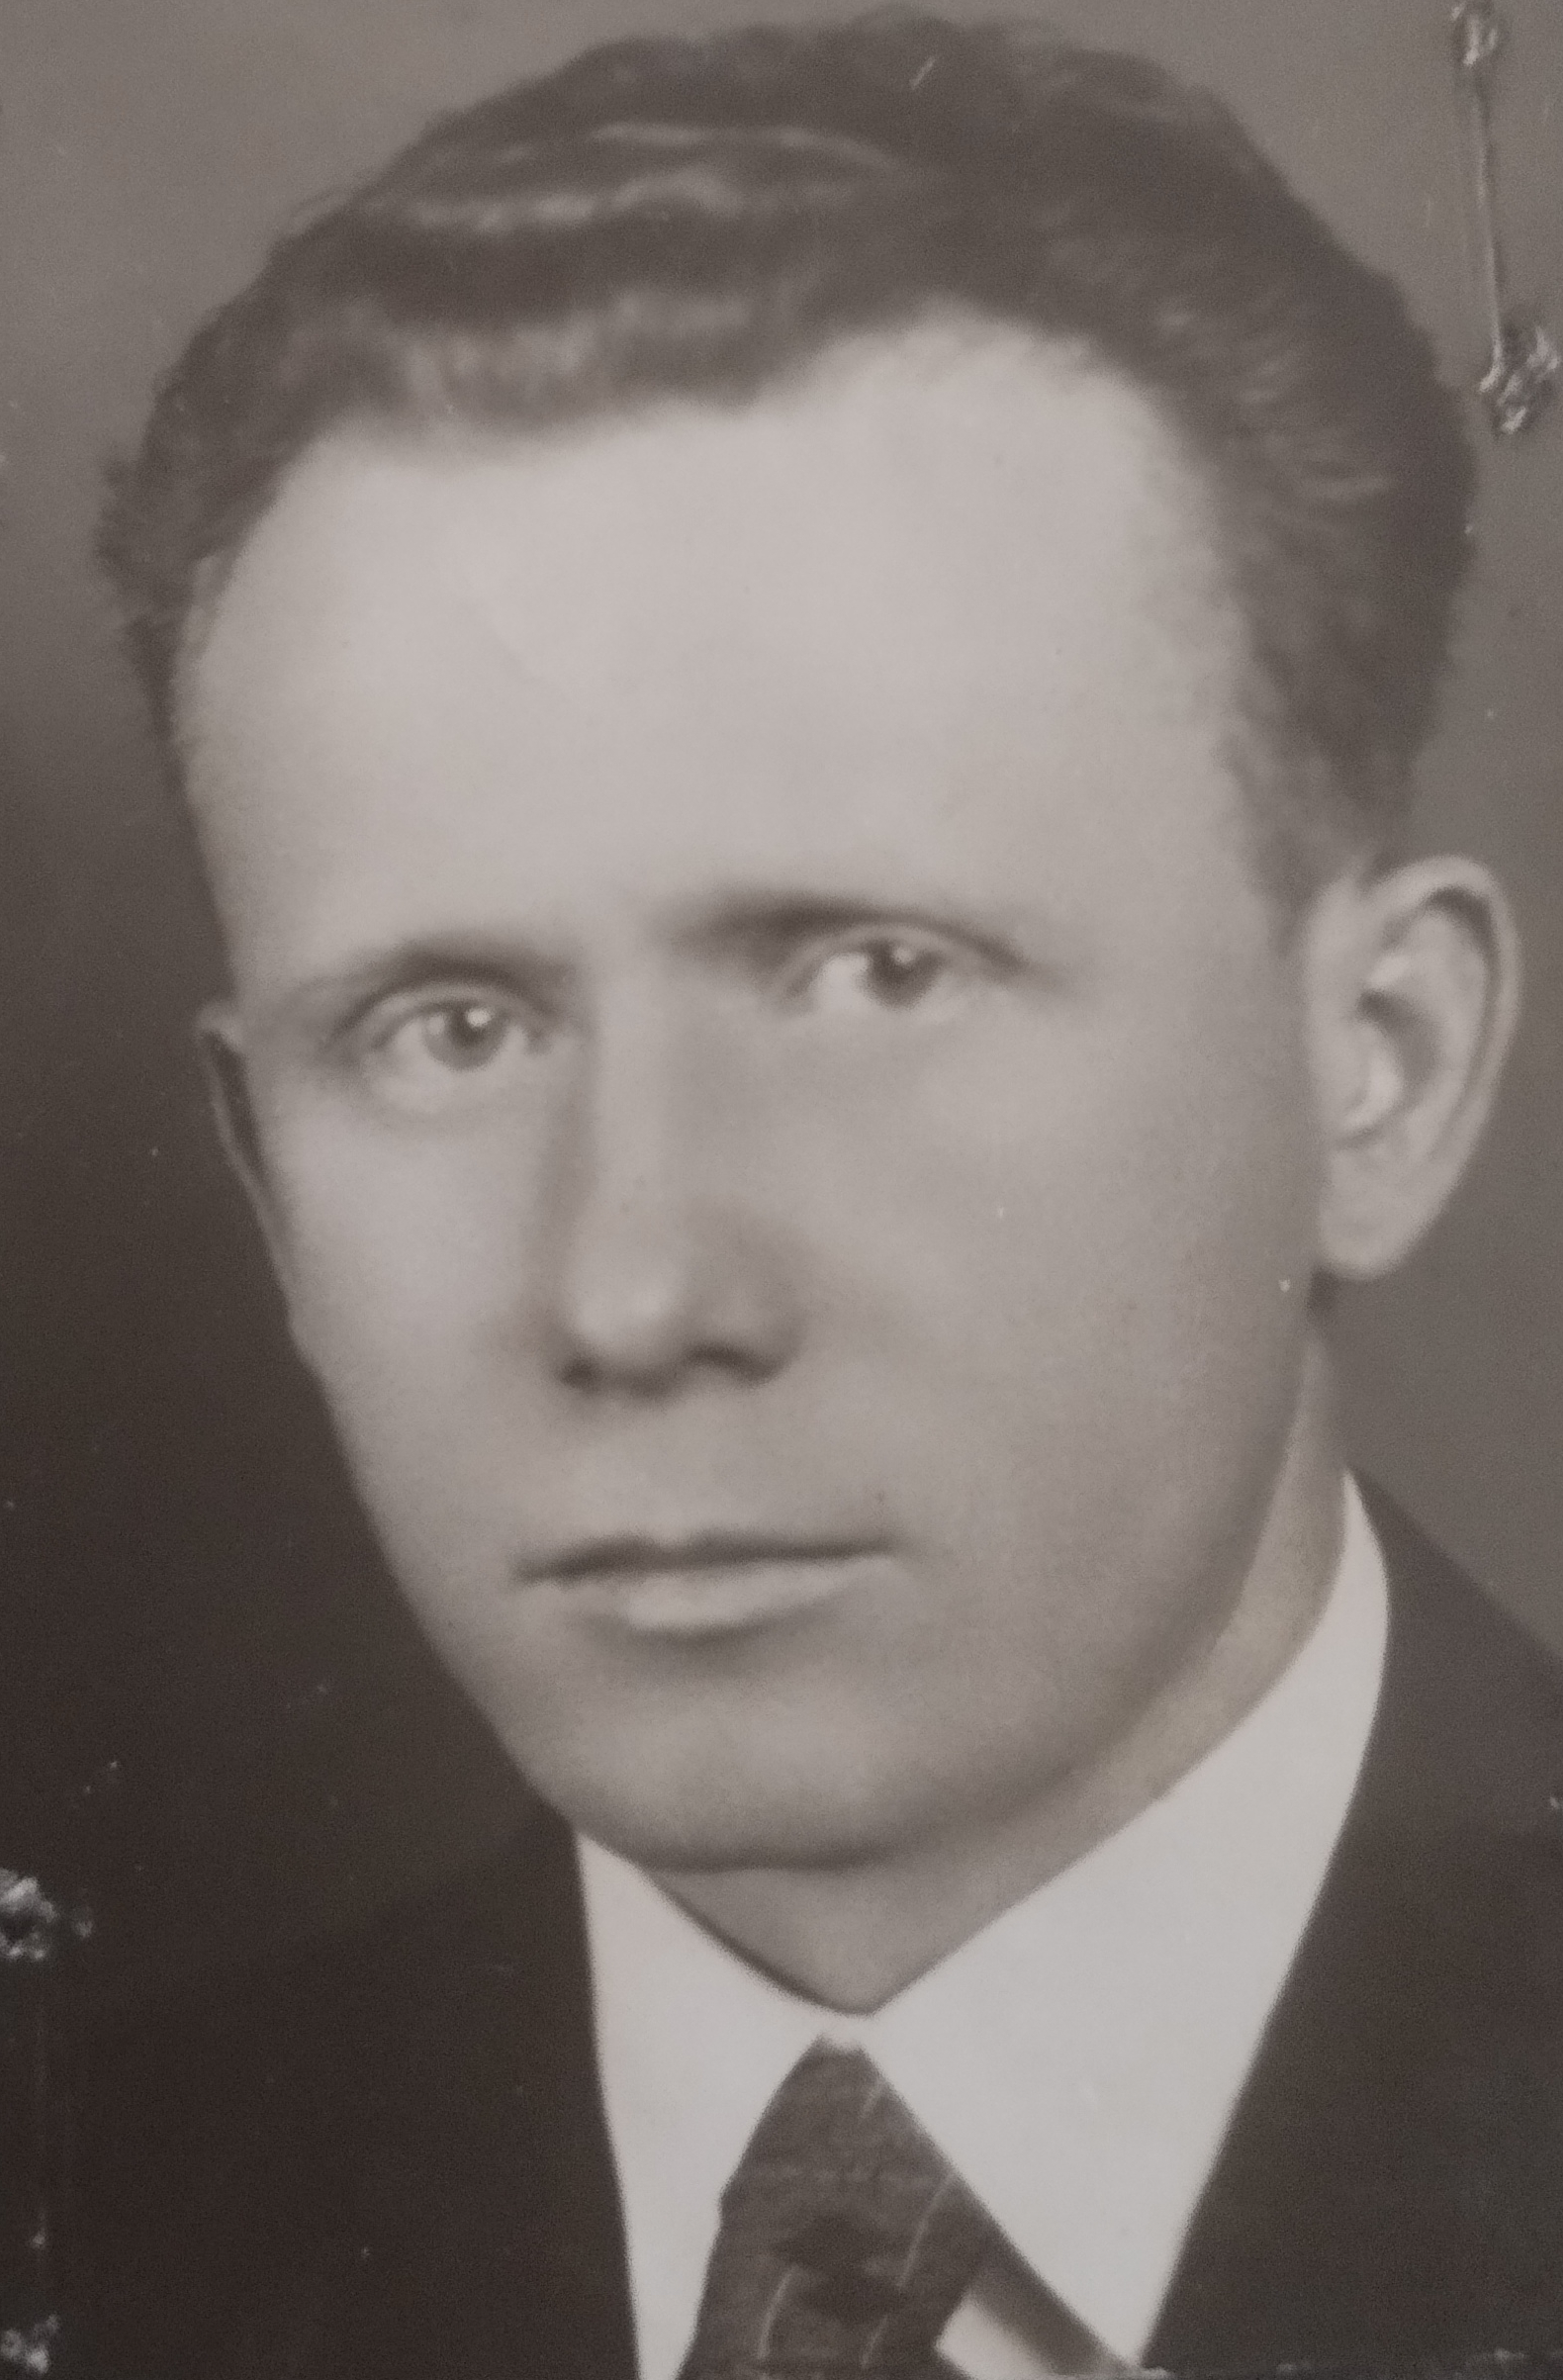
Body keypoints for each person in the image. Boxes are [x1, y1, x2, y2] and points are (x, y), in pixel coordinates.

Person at [73, 12, 1563, 2376]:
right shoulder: (94, 2221)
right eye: (451, 1030)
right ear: (270, 1190)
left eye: (878, 974)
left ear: (1373, 1069)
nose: (636, 1285)